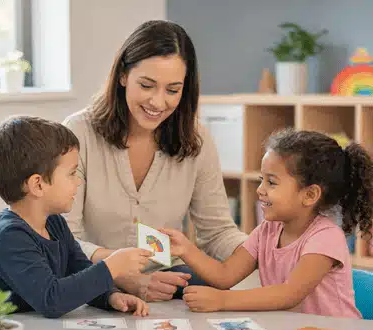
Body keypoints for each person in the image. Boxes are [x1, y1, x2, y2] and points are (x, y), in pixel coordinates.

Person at [162, 128, 373, 330]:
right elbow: (225, 274)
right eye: (262, 180)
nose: (260, 190)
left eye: (271, 183)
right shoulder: (267, 230)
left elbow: (288, 294)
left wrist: (222, 301)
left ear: (309, 195)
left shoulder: (326, 237)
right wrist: (186, 249)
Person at [63, 20, 247, 301]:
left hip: (169, 280)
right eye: (147, 85)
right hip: (96, 280)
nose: (158, 103)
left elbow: (218, 231)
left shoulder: (196, 139)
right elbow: (65, 240)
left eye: (172, 90)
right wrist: (123, 273)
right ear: (123, 75)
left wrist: (266, 251)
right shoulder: (79, 133)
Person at [0, 116, 152, 318]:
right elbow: (52, 300)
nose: (78, 182)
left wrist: (110, 296)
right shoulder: (9, 237)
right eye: (72, 173)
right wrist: (112, 267)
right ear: (38, 185)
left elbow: (79, 271)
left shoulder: (54, 222)